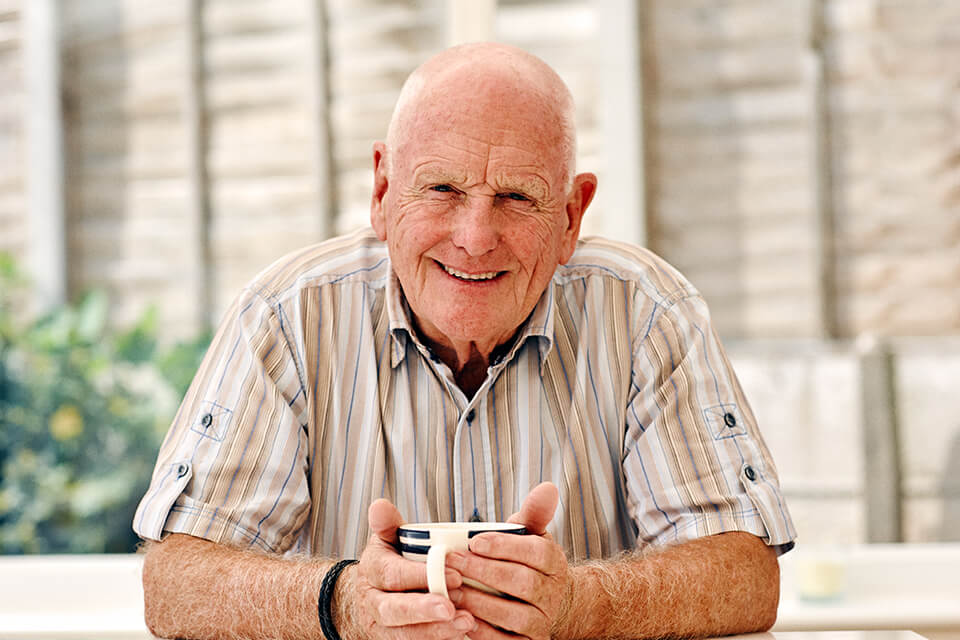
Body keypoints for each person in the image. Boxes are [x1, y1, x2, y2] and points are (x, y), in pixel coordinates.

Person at [134, 42, 796, 640]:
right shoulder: (286, 318)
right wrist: (346, 605)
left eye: (515, 197)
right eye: (443, 189)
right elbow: (175, 586)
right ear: (383, 190)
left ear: (571, 216)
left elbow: (744, 575)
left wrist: (580, 606)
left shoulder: (649, 313)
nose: (476, 237)